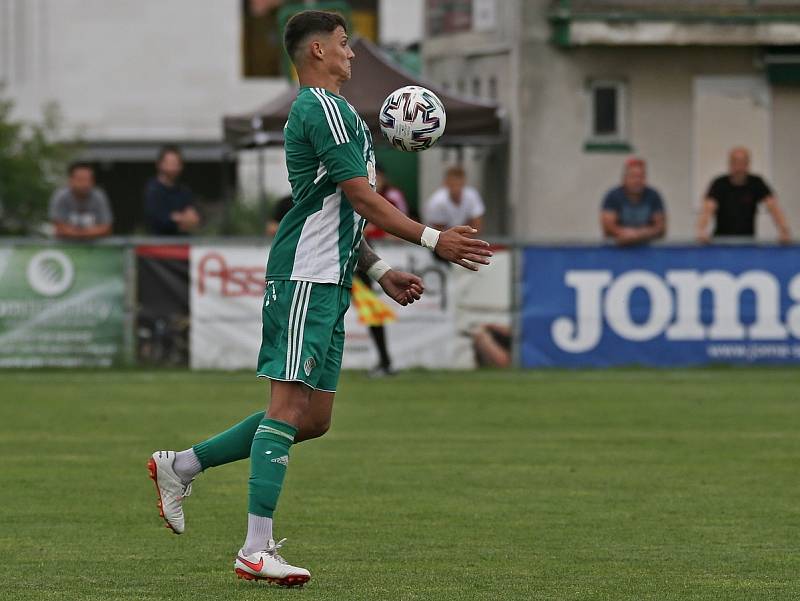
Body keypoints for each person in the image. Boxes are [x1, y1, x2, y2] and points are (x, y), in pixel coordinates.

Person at [146, 10, 491, 587]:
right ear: (316, 53)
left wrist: (377, 268)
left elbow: (334, 207)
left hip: (330, 276)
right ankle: (255, 549)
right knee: (286, 410)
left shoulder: (340, 114)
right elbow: (359, 197)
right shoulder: (319, 107)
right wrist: (434, 238)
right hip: (305, 276)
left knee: (313, 420)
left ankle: (180, 465)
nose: (352, 54)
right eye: (343, 44)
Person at [359, 165, 410, 377]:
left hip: (360, 262)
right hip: (345, 260)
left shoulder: (389, 196)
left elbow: (398, 223)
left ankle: (385, 361)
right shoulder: (356, 192)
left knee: (371, 312)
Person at [696, 147, 791, 244]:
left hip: (747, 242)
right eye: (735, 162)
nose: (739, 167)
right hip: (721, 242)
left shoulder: (756, 183)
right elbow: (707, 209)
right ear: (730, 164)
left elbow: (774, 207)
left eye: (742, 162)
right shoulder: (719, 184)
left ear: (748, 164)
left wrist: (784, 230)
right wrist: (701, 230)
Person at [600, 157, 666, 246]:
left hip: (647, 250)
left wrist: (640, 234)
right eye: (633, 176)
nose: (637, 181)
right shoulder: (613, 196)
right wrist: (624, 233)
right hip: (618, 249)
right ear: (624, 178)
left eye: (641, 177)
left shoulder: (654, 196)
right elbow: (607, 228)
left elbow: (661, 228)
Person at [144, 145, 201, 235]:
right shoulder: (153, 190)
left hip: (182, 245)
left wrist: (178, 218)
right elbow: (157, 219)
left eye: (176, 163)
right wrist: (179, 219)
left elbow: (193, 219)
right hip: (158, 245)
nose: (173, 167)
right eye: (170, 163)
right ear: (159, 164)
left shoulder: (184, 191)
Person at [49, 162, 113, 239]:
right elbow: (59, 228)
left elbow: (106, 228)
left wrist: (77, 233)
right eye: (80, 180)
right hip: (65, 246)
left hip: (95, 247)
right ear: (70, 180)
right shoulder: (61, 196)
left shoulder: (99, 197)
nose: (85, 184)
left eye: (88, 180)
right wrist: (89, 233)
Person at [424, 165, 485, 233]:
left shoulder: (472, 195)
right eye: (453, 184)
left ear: (464, 182)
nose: (456, 188)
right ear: (446, 183)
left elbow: (477, 226)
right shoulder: (436, 202)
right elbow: (439, 234)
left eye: (459, 184)